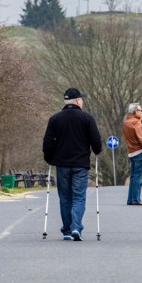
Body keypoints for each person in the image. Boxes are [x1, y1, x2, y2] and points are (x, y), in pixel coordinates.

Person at [42, 88, 102, 241]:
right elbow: (96, 141)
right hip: (81, 164)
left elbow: (47, 142)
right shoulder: (87, 118)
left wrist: (49, 158)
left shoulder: (55, 119)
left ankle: (67, 230)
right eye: (81, 99)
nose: (82, 101)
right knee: (79, 197)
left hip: (62, 164)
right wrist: (97, 150)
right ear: (77, 101)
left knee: (65, 197)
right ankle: (76, 227)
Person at [122, 102, 142, 206]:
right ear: (135, 111)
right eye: (140, 110)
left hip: (131, 152)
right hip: (139, 151)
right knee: (138, 177)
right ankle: (136, 199)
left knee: (133, 177)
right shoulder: (136, 123)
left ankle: (130, 199)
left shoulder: (126, 122)